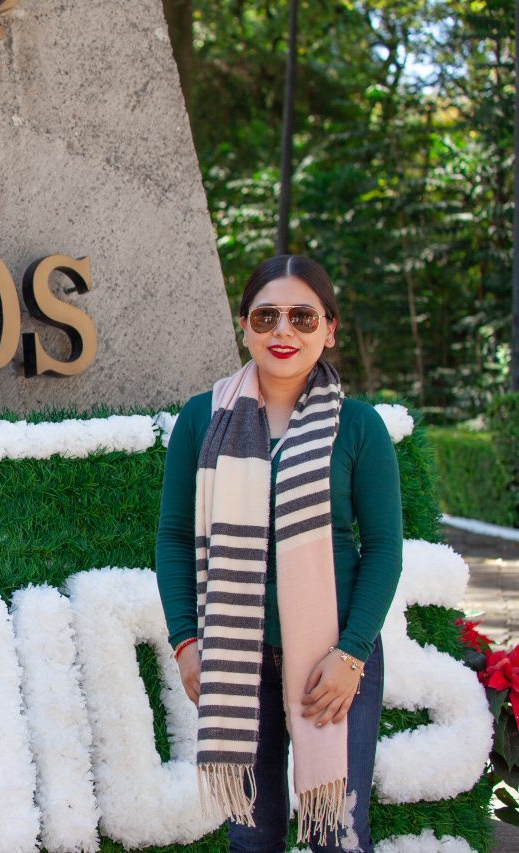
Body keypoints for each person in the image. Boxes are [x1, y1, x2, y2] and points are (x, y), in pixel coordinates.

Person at [154, 255, 403, 852]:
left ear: (329, 328)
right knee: (252, 836)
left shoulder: (358, 427)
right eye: (266, 317)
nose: (283, 332)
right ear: (244, 326)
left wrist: (352, 654)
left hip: (334, 666)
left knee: (337, 834)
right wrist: (188, 643)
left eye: (302, 317)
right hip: (236, 659)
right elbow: (173, 538)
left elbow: (385, 549)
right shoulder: (201, 419)